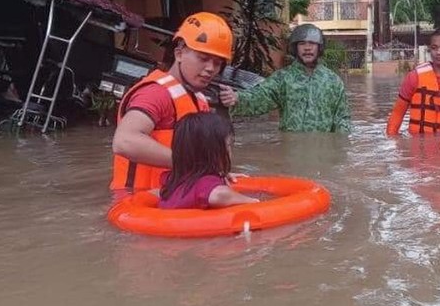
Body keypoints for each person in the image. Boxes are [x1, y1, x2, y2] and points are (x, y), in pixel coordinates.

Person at [111, 12, 235, 192]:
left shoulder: (199, 99)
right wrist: (192, 164)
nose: (210, 69)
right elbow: (124, 141)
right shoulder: (155, 94)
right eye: (203, 58)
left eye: (217, 63)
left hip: (173, 199)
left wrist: (215, 173)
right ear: (179, 54)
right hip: (138, 203)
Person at [222, 23, 351, 133]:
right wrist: (237, 98)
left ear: (319, 47)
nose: (307, 48)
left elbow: (342, 119)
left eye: (312, 43)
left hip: (322, 152)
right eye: (302, 43)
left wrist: (339, 151)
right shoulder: (283, 78)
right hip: (291, 151)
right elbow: (260, 97)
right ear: (295, 48)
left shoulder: (333, 82)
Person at [159, 113, 258, 209]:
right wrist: (251, 201)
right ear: (212, 152)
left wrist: (222, 174)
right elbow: (219, 195)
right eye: (228, 145)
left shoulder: (171, 179)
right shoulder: (205, 183)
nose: (230, 150)